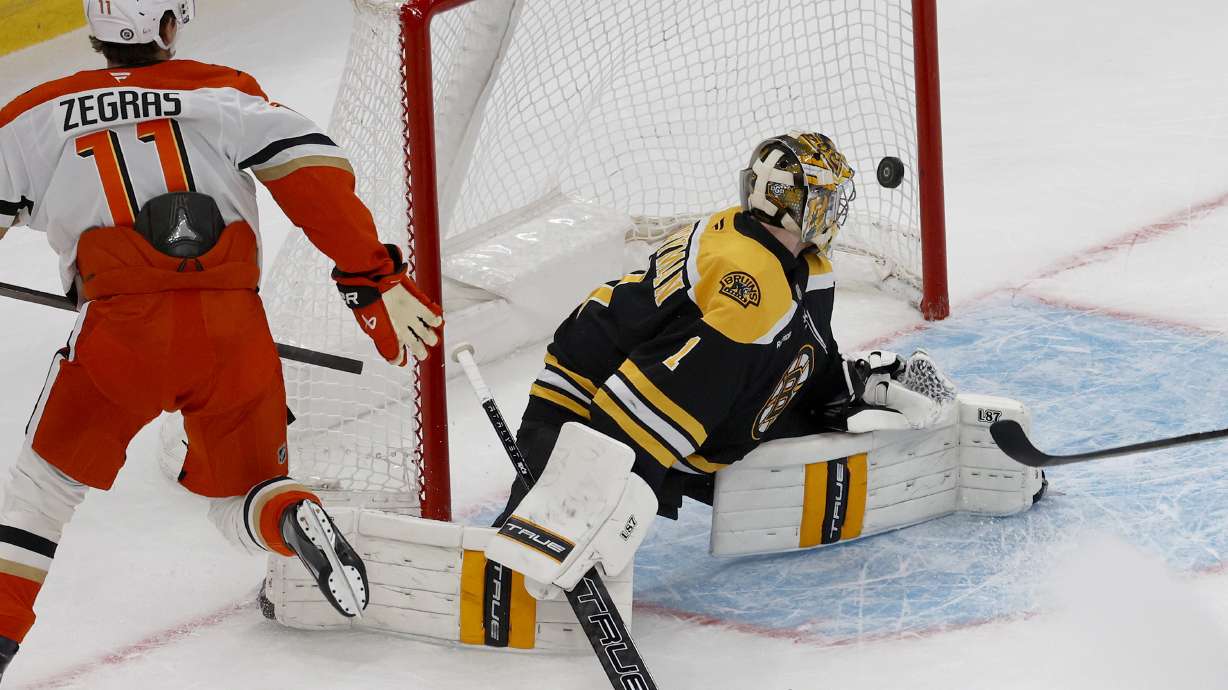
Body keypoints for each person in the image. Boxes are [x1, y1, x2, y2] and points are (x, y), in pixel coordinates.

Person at [0, 0, 443, 678]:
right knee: (244, 489)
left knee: (41, 494)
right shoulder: (224, 93)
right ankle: (291, 512)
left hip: (119, 335)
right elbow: (313, 179)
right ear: (169, 26)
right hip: (232, 327)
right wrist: (372, 281)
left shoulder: (29, 116)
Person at [492, 130, 949, 527]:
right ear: (795, 206)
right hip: (587, 394)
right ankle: (525, 543)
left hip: (660, 377)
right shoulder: (752, 284)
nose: (835, 212)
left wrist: (843, 385)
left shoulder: (799, 265)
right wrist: (598, 505)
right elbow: (650, 403)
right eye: (826, 201)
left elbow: (782, 352)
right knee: (558, 511)